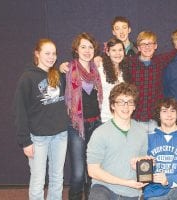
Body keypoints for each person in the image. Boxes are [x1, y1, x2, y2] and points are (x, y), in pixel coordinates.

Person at [14, 38, 68, 200]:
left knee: (57, 177)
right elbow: (19, 111)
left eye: (53, 53)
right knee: (38, 180)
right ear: (37, 54)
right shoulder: (27, 78)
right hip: (38, 138)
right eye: (47, 53)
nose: (51, 57)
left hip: (60, 135)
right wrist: (25, 141)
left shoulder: (58, 75)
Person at [87, 83, 148, 200]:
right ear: (112, 105)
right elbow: (93, 171)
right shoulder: (100, 133)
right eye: (120, 102)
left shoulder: (141, 132)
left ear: (134, 106)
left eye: (130, 102)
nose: (126, 107)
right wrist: (125, 182)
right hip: (105, 188)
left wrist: (145, 165)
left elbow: (142, 164)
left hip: (131, 192)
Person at [65, 32, 103, 200]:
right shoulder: (68, 69)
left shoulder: (97, 69)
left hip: (97, 125)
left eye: (90, 47)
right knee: (79, 173)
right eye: (83, 47)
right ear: (76, 49)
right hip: (76, 126)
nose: (87, 50)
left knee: (93, 171)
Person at [98, 37, 131, 122]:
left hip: (122, 117)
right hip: (105, 117)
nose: (118, 53)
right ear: (108, 52)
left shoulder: (125, 70)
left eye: (120, 50)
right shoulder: (100, 69)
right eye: (114, 50)